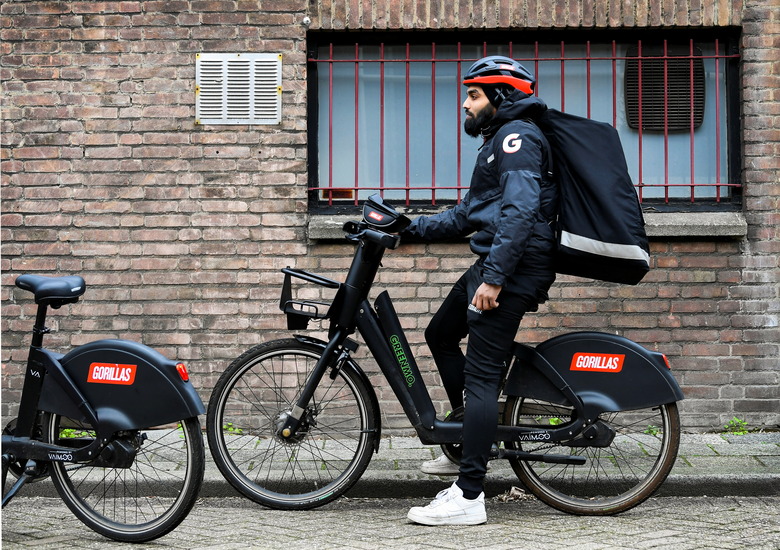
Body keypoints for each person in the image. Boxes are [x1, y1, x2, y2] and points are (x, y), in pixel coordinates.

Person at [403, 56, 558, 526]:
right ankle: (463, 443)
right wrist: (407, 228)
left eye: (473, 94)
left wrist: (494, 278)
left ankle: (469, 495)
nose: (465, 103)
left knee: (483, 376)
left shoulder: (517, 139)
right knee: (440, 333)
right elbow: (471, 214)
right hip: (494, 263)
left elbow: (520, 213)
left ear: (501, 97)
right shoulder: (497, 143)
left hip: (509, 270)